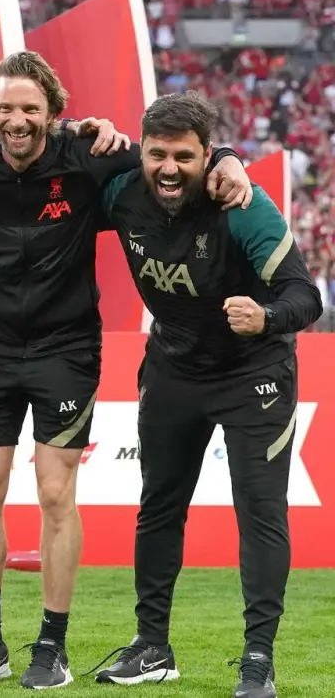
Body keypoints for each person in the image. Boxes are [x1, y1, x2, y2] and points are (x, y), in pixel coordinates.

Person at [0, 52, 252, 689]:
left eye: (30, 109)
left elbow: (171, 152)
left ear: (55, 113)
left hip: (66, 349)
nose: (17, 121)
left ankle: (51, 647)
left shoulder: (88, 154)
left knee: (56, 495)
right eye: (6, 109)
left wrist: (227, 159)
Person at [88, 92, 322, 698]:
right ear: (141, 150)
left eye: (184, 157)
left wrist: (266, 316)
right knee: (159, 508)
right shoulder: (120, 190)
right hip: (172, 368)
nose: (169, 168)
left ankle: (257, 659)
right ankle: (152, 648)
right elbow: (40, 174)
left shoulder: (242, 205)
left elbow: (306, 297)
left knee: (260, 514)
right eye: (157, 154)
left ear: (204, 156)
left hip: (254, 374)